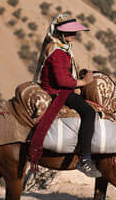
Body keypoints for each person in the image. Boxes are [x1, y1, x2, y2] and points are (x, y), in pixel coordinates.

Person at [33, 13, 100, 177]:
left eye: (74, 32)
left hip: (57, 88)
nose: (73, 35)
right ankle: (85, 159)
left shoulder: (60, 47)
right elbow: (62, 81)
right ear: (60, 32)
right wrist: (84, 82)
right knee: (89, 112)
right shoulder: (57, 52)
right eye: (69, 32)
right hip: (57, 92)